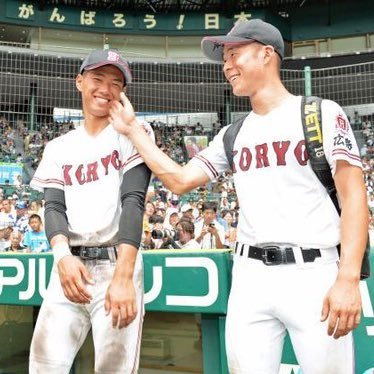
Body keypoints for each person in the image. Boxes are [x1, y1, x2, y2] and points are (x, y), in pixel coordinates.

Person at [109, 19, 368, 374]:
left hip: (314, 274)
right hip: (250, 277)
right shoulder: (234, 133)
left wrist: (348, 279)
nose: (227, 65)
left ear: (266, 55)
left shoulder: (320, 112)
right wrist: (132, 130)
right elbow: (180, 180)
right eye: (224, 58)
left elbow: (354, 197)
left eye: (235, 54)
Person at [29, 48, 152, 373]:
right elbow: (53, 207)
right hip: (69, 271)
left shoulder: (132, 133)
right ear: (80, 82)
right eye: (98, 78)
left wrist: (125, 276)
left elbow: (133, 200)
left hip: (117, 266)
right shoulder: (58, 147)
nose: (106, 88)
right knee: (43, 367)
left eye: (116, 82)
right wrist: (62, 258)